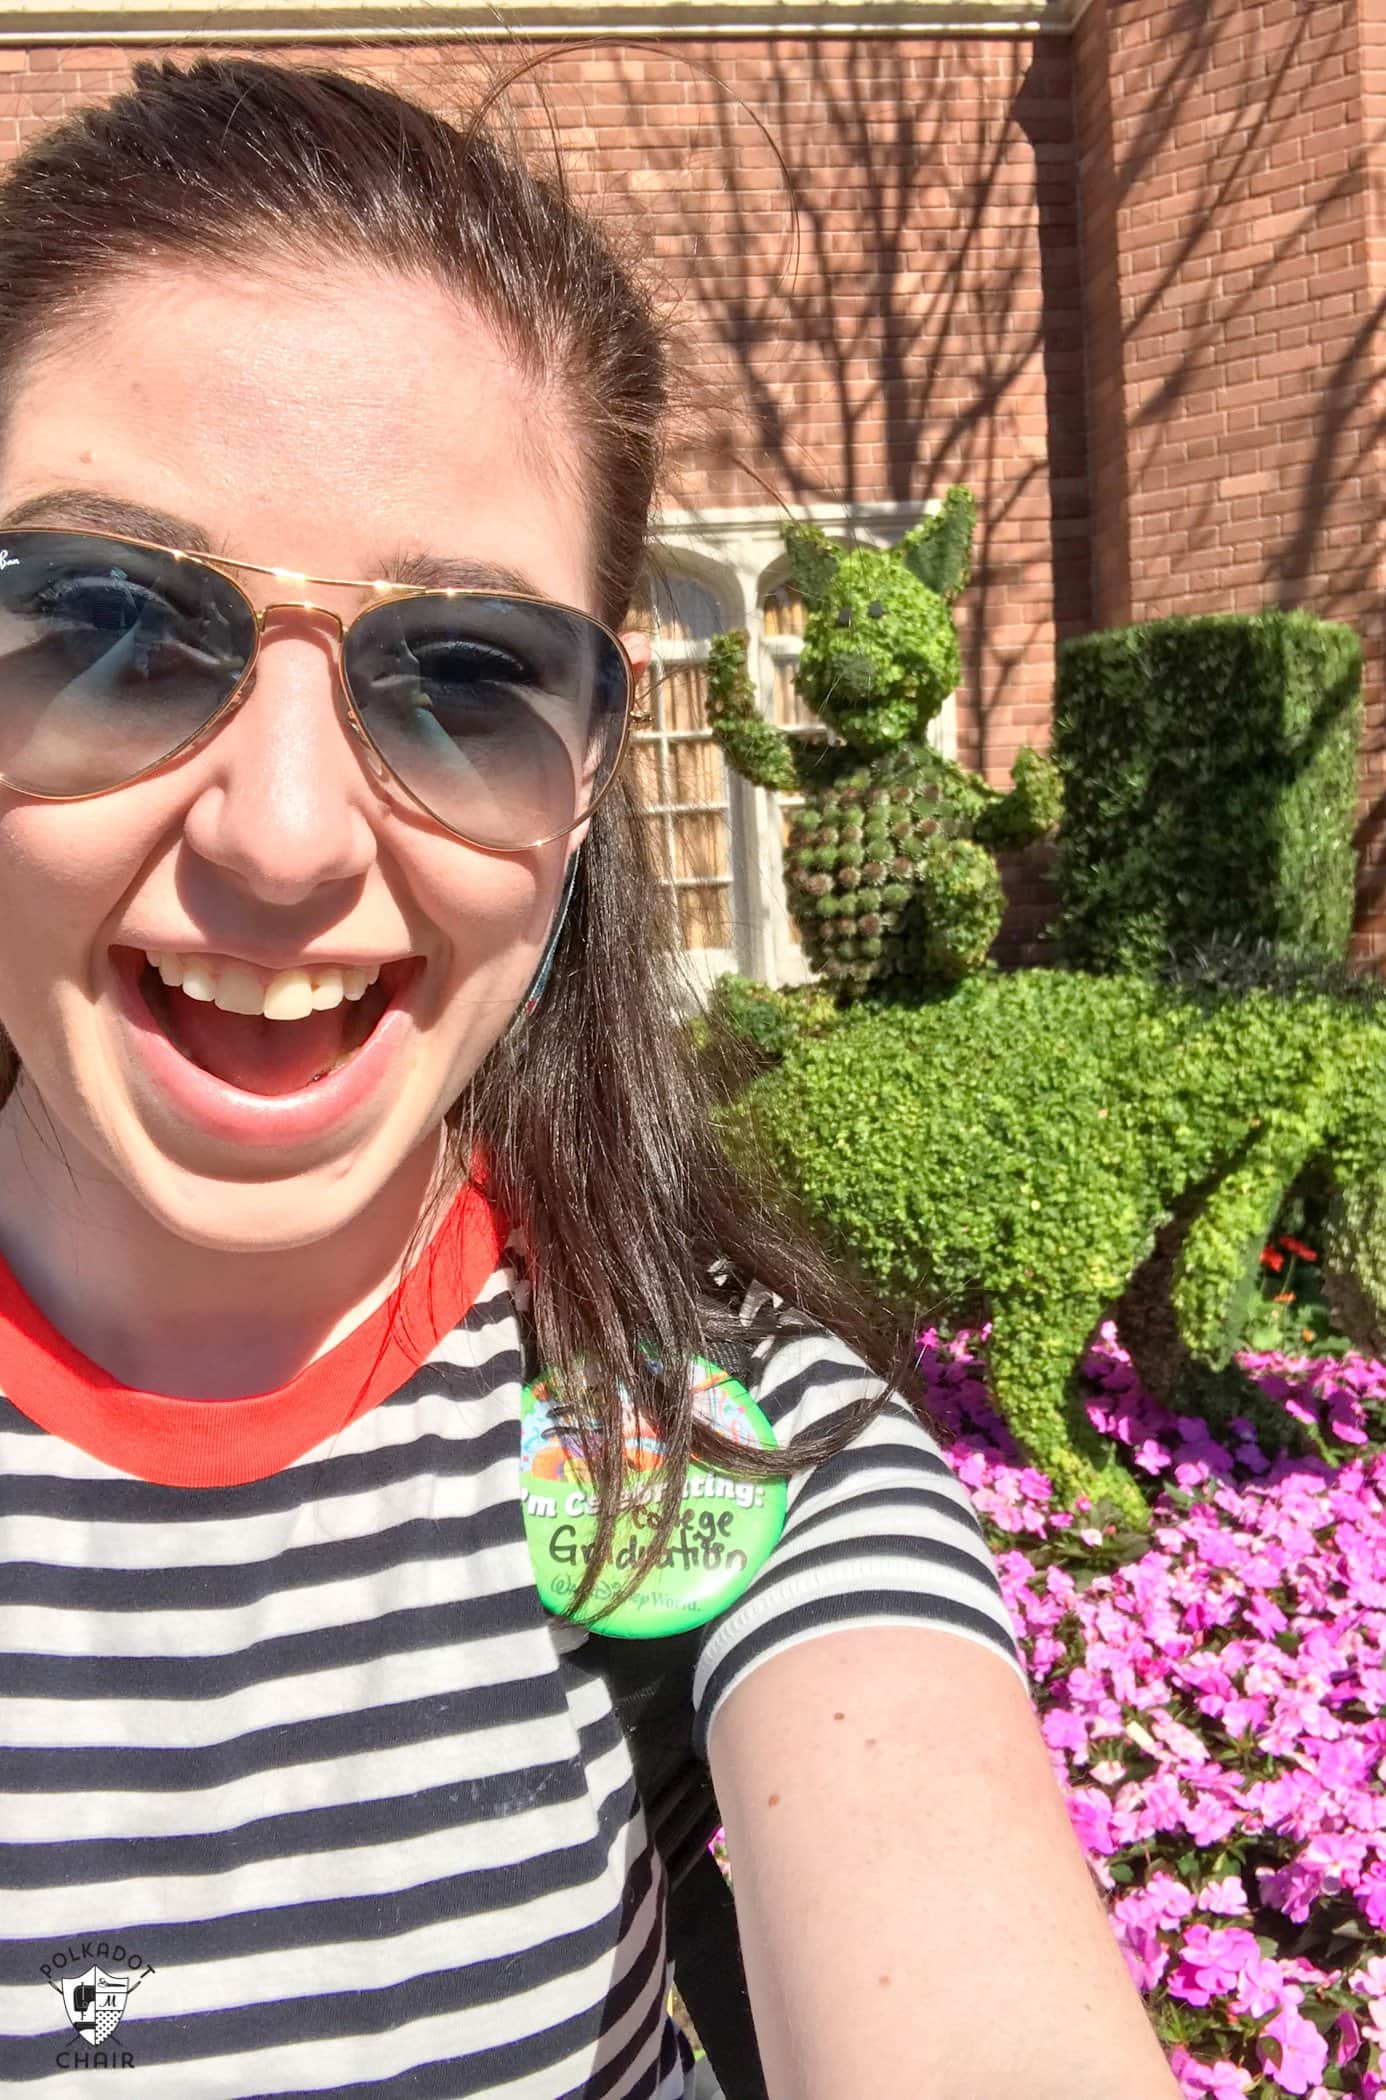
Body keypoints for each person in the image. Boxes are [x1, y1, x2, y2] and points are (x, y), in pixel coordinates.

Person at [0, 55, 1181, 2100]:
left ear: (576, 798)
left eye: (465, 676)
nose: (284, 838)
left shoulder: (703, 1441)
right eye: (110, 626)